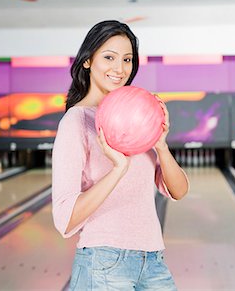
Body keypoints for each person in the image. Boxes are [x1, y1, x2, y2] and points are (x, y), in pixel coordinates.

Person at [52, 20, 189, 290]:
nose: (120, 68)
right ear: (88, 61)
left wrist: (160, 144)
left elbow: (179, 191)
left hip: (152, 260)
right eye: (109, 57)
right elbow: (64, 219)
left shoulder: (137, 116)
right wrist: (118, 169)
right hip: (103, 263)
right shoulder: (76, 122)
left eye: (127, 59)